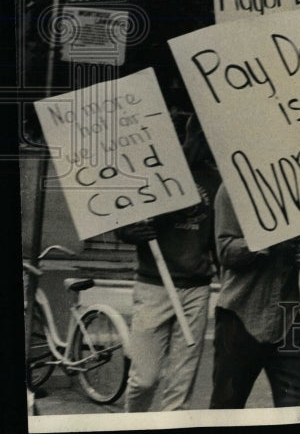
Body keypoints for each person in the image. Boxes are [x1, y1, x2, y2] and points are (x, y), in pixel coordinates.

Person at [115, 116, 220, 413]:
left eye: (206, 134)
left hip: (196, 288)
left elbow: (218, 236)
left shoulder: (215, 180)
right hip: (153, 284)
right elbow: (121, 222)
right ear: (183, 136)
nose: (202, 141)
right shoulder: (151, 172)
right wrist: (128, 232)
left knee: (180, 385)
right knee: (145, 379)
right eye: (196, 134)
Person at [209, 182, 300, 409]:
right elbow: (225, 251)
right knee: (226, 407)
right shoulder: (232, 188)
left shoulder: (298, 187)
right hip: (239, 314)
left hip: (287, 316)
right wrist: (265, 237)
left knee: (296, 408)